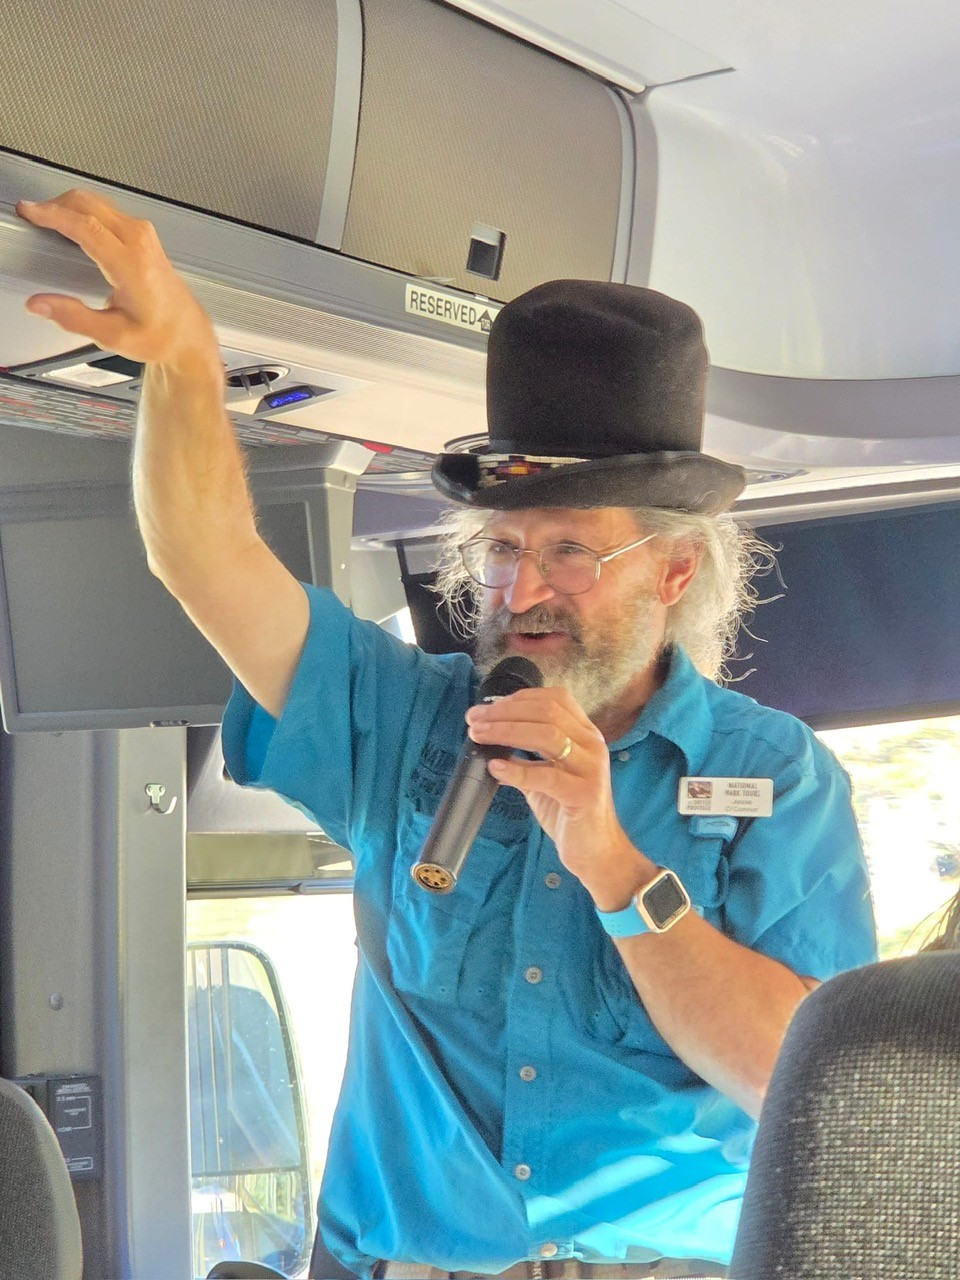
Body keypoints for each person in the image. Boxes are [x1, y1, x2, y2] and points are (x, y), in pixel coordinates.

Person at [18, 190, 877, 1280]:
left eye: (571, 551)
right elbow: (204, 557)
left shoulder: (776, 776)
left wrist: (610, 860)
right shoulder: (406, 718)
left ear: (674, 570)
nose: (525, 589)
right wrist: (187, 361)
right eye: (505, 548)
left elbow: (793, 1080)